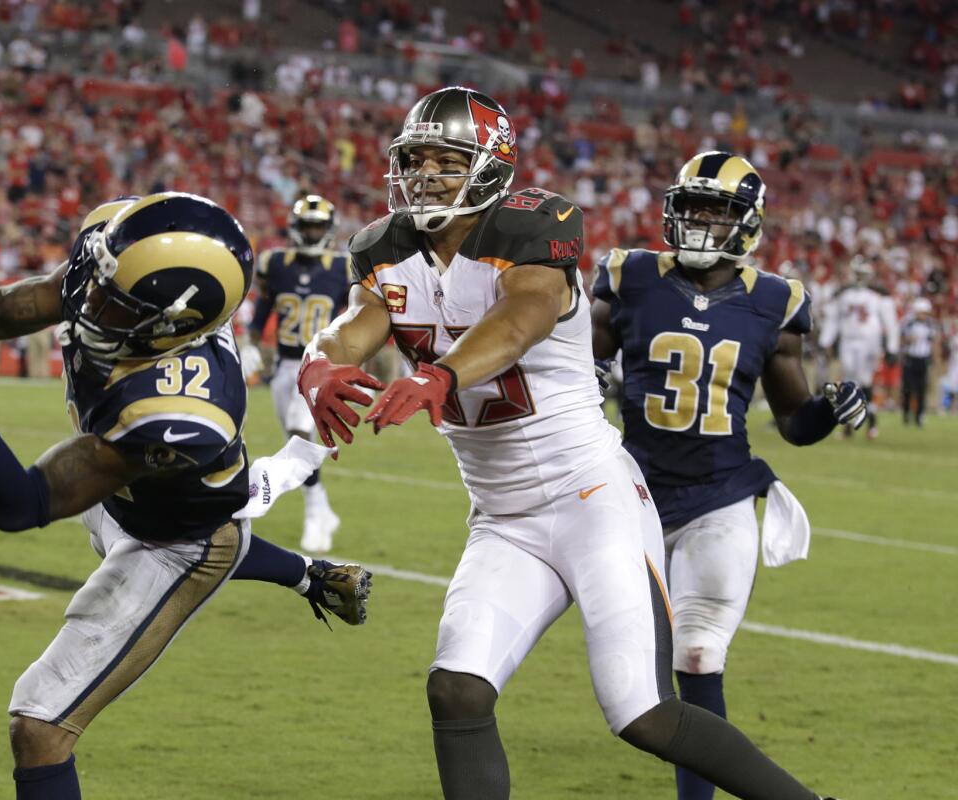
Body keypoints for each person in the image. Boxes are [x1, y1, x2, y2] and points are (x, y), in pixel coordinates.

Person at [297, 86, 841, 800]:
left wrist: (440, 377)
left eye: (447, 159)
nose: (426, 175)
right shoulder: (385, 249)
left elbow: (524, 315)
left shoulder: (533, 229)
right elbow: (357, 322)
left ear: (490, 166)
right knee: (457, 690)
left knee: (640, 712)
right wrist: (319, 362)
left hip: (591, 498)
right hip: (503, 519)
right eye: (416, 159)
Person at [0, 193, 371, 799]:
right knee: (161, 515)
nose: (90, 304)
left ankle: (308, 575)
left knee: (40, 725)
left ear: (171, 327)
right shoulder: (124, 248)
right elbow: (56, 291)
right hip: (147, 496)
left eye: (114, 304)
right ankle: (313, 576)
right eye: (100, 281)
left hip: (176, 542)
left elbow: (19, 505)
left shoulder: (178, 413)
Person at [589, 151, 867, 800]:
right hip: (632, 497)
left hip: (721, 497)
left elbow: (794, 420)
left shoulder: (776, 301)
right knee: (633, 684)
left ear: (747, 223)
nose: (697, 222)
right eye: (690, 208)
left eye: (715, 211)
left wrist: (830, 408)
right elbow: (578, 362)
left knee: (698, 655)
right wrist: (586, 373)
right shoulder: (629, 275)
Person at [244, 194, 350, 552]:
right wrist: (251, 345)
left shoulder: (343, 266)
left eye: (318, 226)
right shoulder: (275, 263)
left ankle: (313, 512)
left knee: (299, 431)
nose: (312, 231)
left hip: (319, 364)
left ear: (329, 229)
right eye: (308, 225)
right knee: (294, 439)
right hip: (285, 365)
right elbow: (261, 312)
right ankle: (319, 506)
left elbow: (357, 317)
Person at [818, 257, 898, 438]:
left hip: (869, 342)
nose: (860, 278)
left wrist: (892, 347)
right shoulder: (844, 295)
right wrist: (825, 342)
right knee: (850, 382)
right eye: (858, 274)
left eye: (863, 274)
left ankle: (869, 422)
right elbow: (833, 321)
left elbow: (891, 324)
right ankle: (851, 424)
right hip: (848, 340)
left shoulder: (878, 296)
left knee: (865, 380)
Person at [900, 297, 938, 427]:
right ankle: (906, 413)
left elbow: (933, 342)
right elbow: (901, 340)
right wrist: (908, 339)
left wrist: (934, 359)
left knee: (922, 389)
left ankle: (919, 416)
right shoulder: (907, 322)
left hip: (923, 359)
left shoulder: (931, 324)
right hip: (910, 357)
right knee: (907, 388)